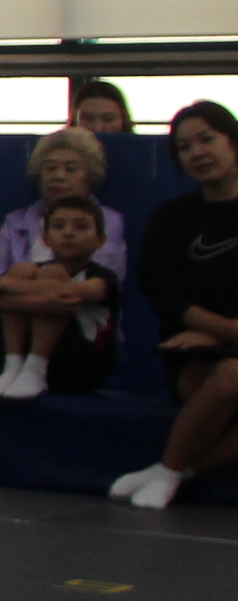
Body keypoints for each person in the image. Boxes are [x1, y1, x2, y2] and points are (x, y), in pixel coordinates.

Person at [120, 101, 238, 507]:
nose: (197, 153)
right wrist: (223, 333)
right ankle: (172, 471)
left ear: (233, 142)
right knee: (231, 376)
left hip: (220, 340)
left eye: (207, 139)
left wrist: (223, 334)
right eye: (185, 147)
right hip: (192, 350)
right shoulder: (170, 218)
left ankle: (171, 471)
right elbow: (162, 293)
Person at [0, 127, 125, 414]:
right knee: (11, 278)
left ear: (90, 176)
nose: (58, 176)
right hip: (16, 325)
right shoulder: (16, 221)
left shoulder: (105, 221)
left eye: (70, 168)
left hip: (75, 329)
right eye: (50, 168)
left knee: (52, 274)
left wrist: (10, 291)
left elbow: (76, 291)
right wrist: (28, 295)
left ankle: (31, 370)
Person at [0, 198, 117, 401]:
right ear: (45, 239)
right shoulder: (31, 271)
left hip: (80, 365)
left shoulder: (104, 277)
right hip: (26, 357)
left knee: (52, 273)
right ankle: (13, 366)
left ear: (100, 240)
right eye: (59, 226)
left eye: (81, 227)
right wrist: (41, 302)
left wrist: (0, 285)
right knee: (22, 269)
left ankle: (35, 369)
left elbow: (69, 293)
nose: (68, 233)